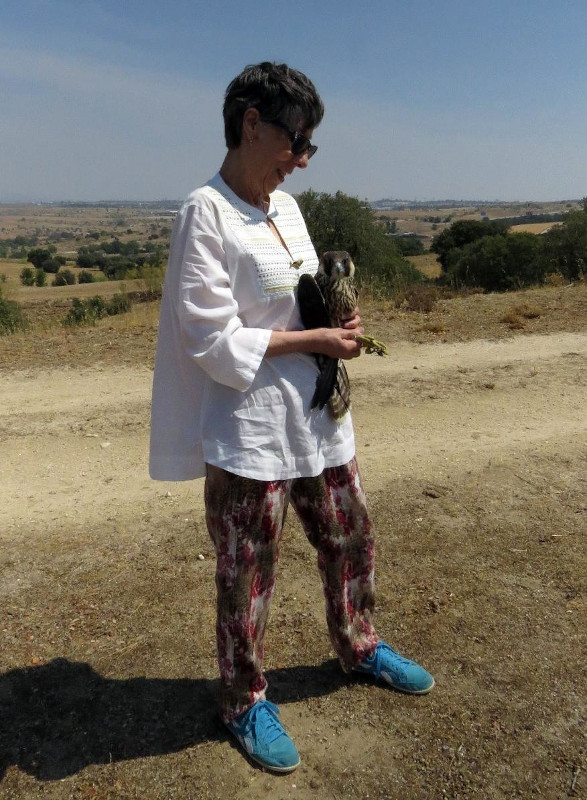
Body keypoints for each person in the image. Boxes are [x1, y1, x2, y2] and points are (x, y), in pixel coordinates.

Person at [149, 61, 434, 774]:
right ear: (251, 122)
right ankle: (243, 699)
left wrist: (337, 320)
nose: (302, 160)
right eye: (296, 142)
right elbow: (209, 338)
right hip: (248, 430)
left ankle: (358, 644)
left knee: (350, 537)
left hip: (316, 416)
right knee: (247, 568)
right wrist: (312, 340)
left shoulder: (286, 209)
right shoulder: (205, 213)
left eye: (312, 147)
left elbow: (294, 299)